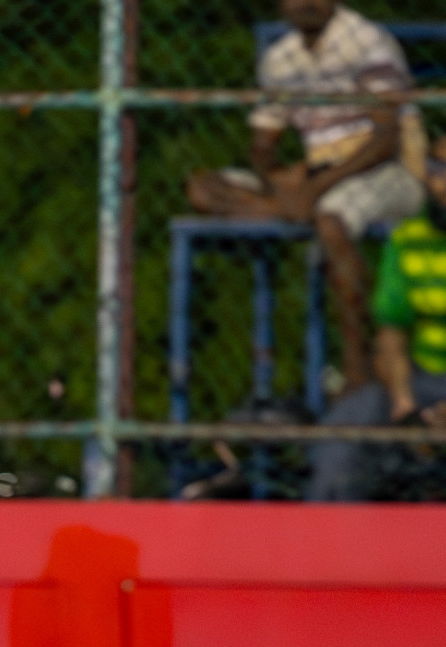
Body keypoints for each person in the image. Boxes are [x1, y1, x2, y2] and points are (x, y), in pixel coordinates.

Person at [185, 0, 426, 392]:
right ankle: (284, 208)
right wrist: (273, 177)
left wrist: (313, 188)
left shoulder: (366, 41)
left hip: (383, 171)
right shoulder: (282, 58)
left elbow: (386, 138)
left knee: (330, 218)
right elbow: (264, 140)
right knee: (204, 189)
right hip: (316, 171)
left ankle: (357, 365)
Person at [309, 144, 446, 500]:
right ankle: (334, 547)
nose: (443, 183)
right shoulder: (408, 238)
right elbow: (391, 333)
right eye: (437, 168)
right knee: (346, 431)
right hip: (427, 381)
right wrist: (404, 403)